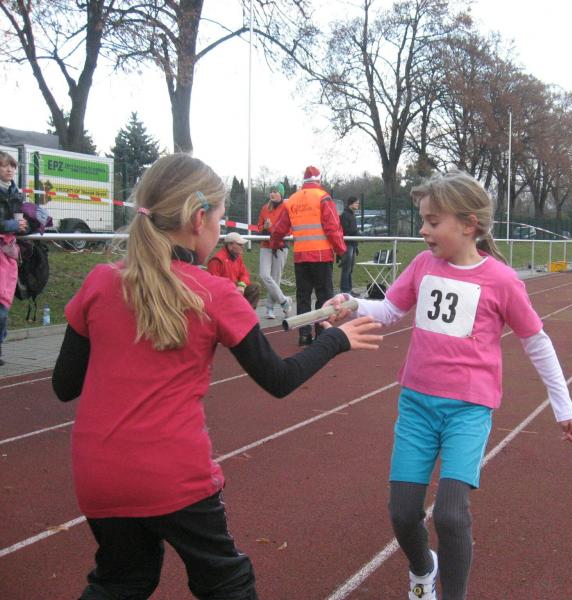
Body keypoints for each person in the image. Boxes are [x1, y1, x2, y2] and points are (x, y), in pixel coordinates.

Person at [50, 154, 382, 600]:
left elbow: (64, 386)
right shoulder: (215, 293)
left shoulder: (99, 281)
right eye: (221, 219)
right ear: (198, 219)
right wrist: (335, 339)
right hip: (174, 472)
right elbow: (278, 379)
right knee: (227, 584)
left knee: (122, 582)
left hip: (97, 473)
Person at [325, 171, 572, 600]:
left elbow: (536, 342)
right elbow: (389, 310)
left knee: (450, 514)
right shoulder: (422, 265)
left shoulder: (501, 280)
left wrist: (563, 406)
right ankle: (423, 567)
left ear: (468, 224)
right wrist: (350, 304)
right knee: (402, 512)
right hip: (417, 405)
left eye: (432, 221)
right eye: (423, 220)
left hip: (468, 410)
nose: (423, 230)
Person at [270, 165, 346, 346]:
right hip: (321, 256)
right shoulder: (323, 197)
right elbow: (332, 228)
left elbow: (279, 228)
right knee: (324, 296)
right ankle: (322, 332)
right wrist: (341, 250)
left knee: (303, 297)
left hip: (301, 256)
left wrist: (275, 243)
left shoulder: (292, 200)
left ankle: (304, 335)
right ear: (319, 180)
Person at [0, 151, 29, 366]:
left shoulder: (16, 193)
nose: (9, 170)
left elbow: (20, 223)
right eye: (4, 166)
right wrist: (12, 225)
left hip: (9, 253)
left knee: (4, 303)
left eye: (12, 166)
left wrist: (28, 223)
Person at [256, 183, 292, 319]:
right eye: (271, 191)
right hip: (266, 245)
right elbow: (258, 227)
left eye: (275, 191)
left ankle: (269, 308)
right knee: (264, 275)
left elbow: (289, 229)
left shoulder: (287, 207)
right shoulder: (265, 208)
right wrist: (264, 227)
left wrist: (272, 228)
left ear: (281, 194)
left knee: (275, 278)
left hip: (280, 246)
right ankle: (284, 301)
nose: (272, 194)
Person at [338, 195, 360, 295]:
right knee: (346, 268)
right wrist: (356, 233)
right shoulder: (345, 215)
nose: (358, 205)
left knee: (350, 269)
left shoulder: (352, 214)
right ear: (351, 203)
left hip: (352, 244)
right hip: (347, 244)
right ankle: (345, 290)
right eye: (356, 203)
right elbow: (345, 230)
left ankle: (349, 289)